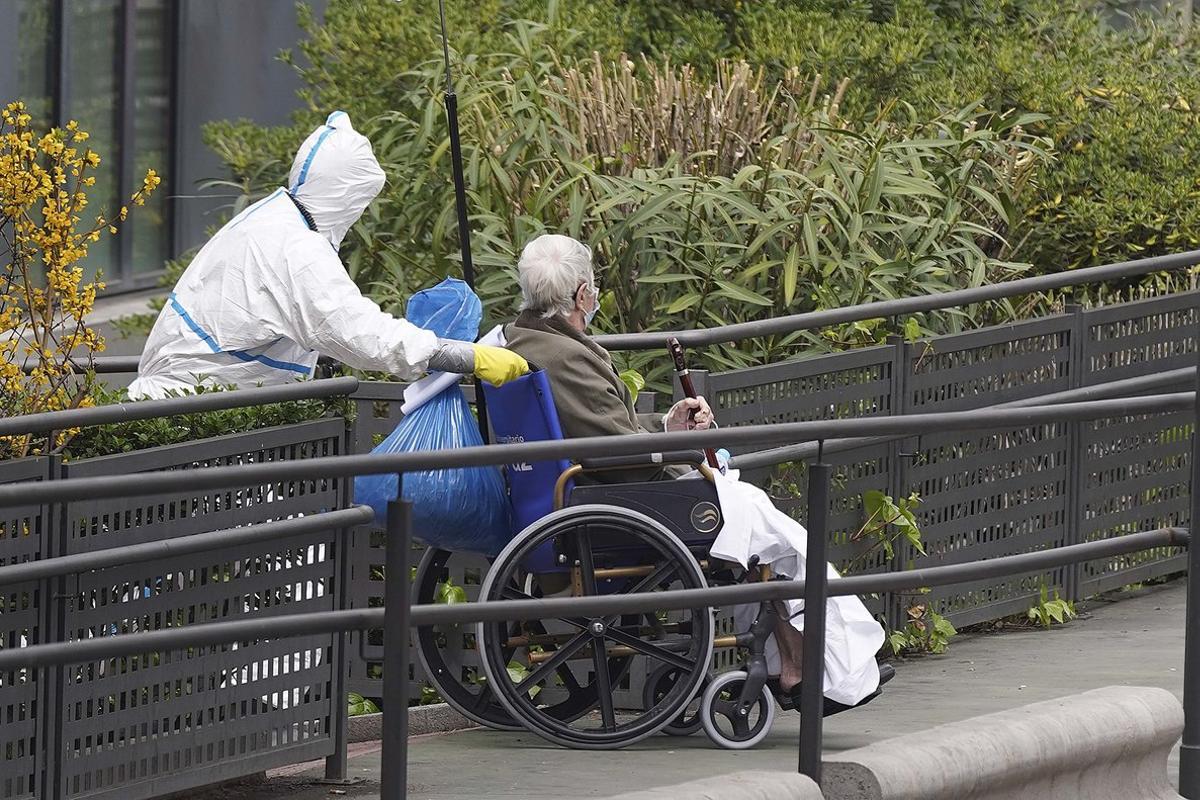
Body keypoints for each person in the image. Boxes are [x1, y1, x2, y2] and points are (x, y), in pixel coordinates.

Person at [502, 233, 889, 710]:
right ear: (582, 294)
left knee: (759, 532)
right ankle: (821, 668)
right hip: (622, 499)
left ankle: (795, 664)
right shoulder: (567, 357)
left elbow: (603, 432)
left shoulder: (526, 341)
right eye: (595, 287)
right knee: (775, 537)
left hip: (597, 490)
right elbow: (615, 451)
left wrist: (666, 425)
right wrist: (685, 448)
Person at [128, 111, 526, 399]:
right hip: (197, 416)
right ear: (346, 196)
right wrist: (463, 356)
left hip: (194, 408)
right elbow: (359, 332)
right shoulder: (294, 249)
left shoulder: (271, 218)